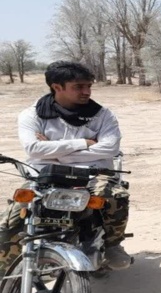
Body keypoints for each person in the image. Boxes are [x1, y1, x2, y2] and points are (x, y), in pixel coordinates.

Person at [0, 61, 132, 274]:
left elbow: (110, 148)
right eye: (78, 86)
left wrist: (54, 153)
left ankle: (112, 244)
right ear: (57, 87)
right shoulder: (32, 115)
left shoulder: (103, 115)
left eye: (89, 86)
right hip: (43, 176)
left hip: (94, 174)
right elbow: (33, 148)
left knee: (114, 196)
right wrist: (85, 143)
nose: (86, 91)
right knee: (12, 219)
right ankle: (6, 276)